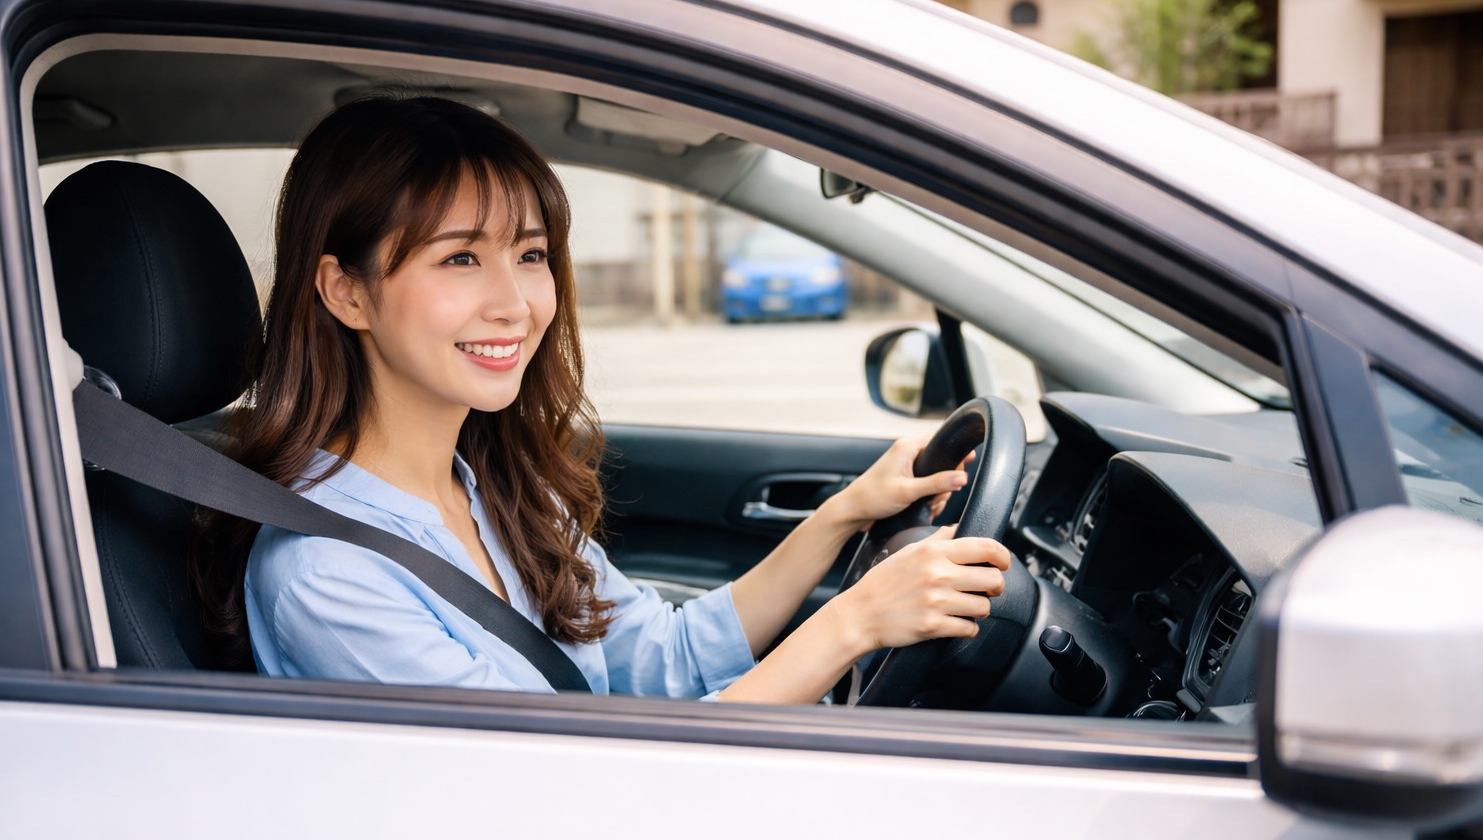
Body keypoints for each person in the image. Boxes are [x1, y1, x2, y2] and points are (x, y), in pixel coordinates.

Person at [194, 95, 1008, 704]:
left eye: (531, 253)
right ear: (347, 292)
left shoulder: (495, 489)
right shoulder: (326, 576)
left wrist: (845, 518)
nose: (516, 303)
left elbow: (668, 658)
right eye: (460, 260)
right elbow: (582, 793)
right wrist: (854, 624)